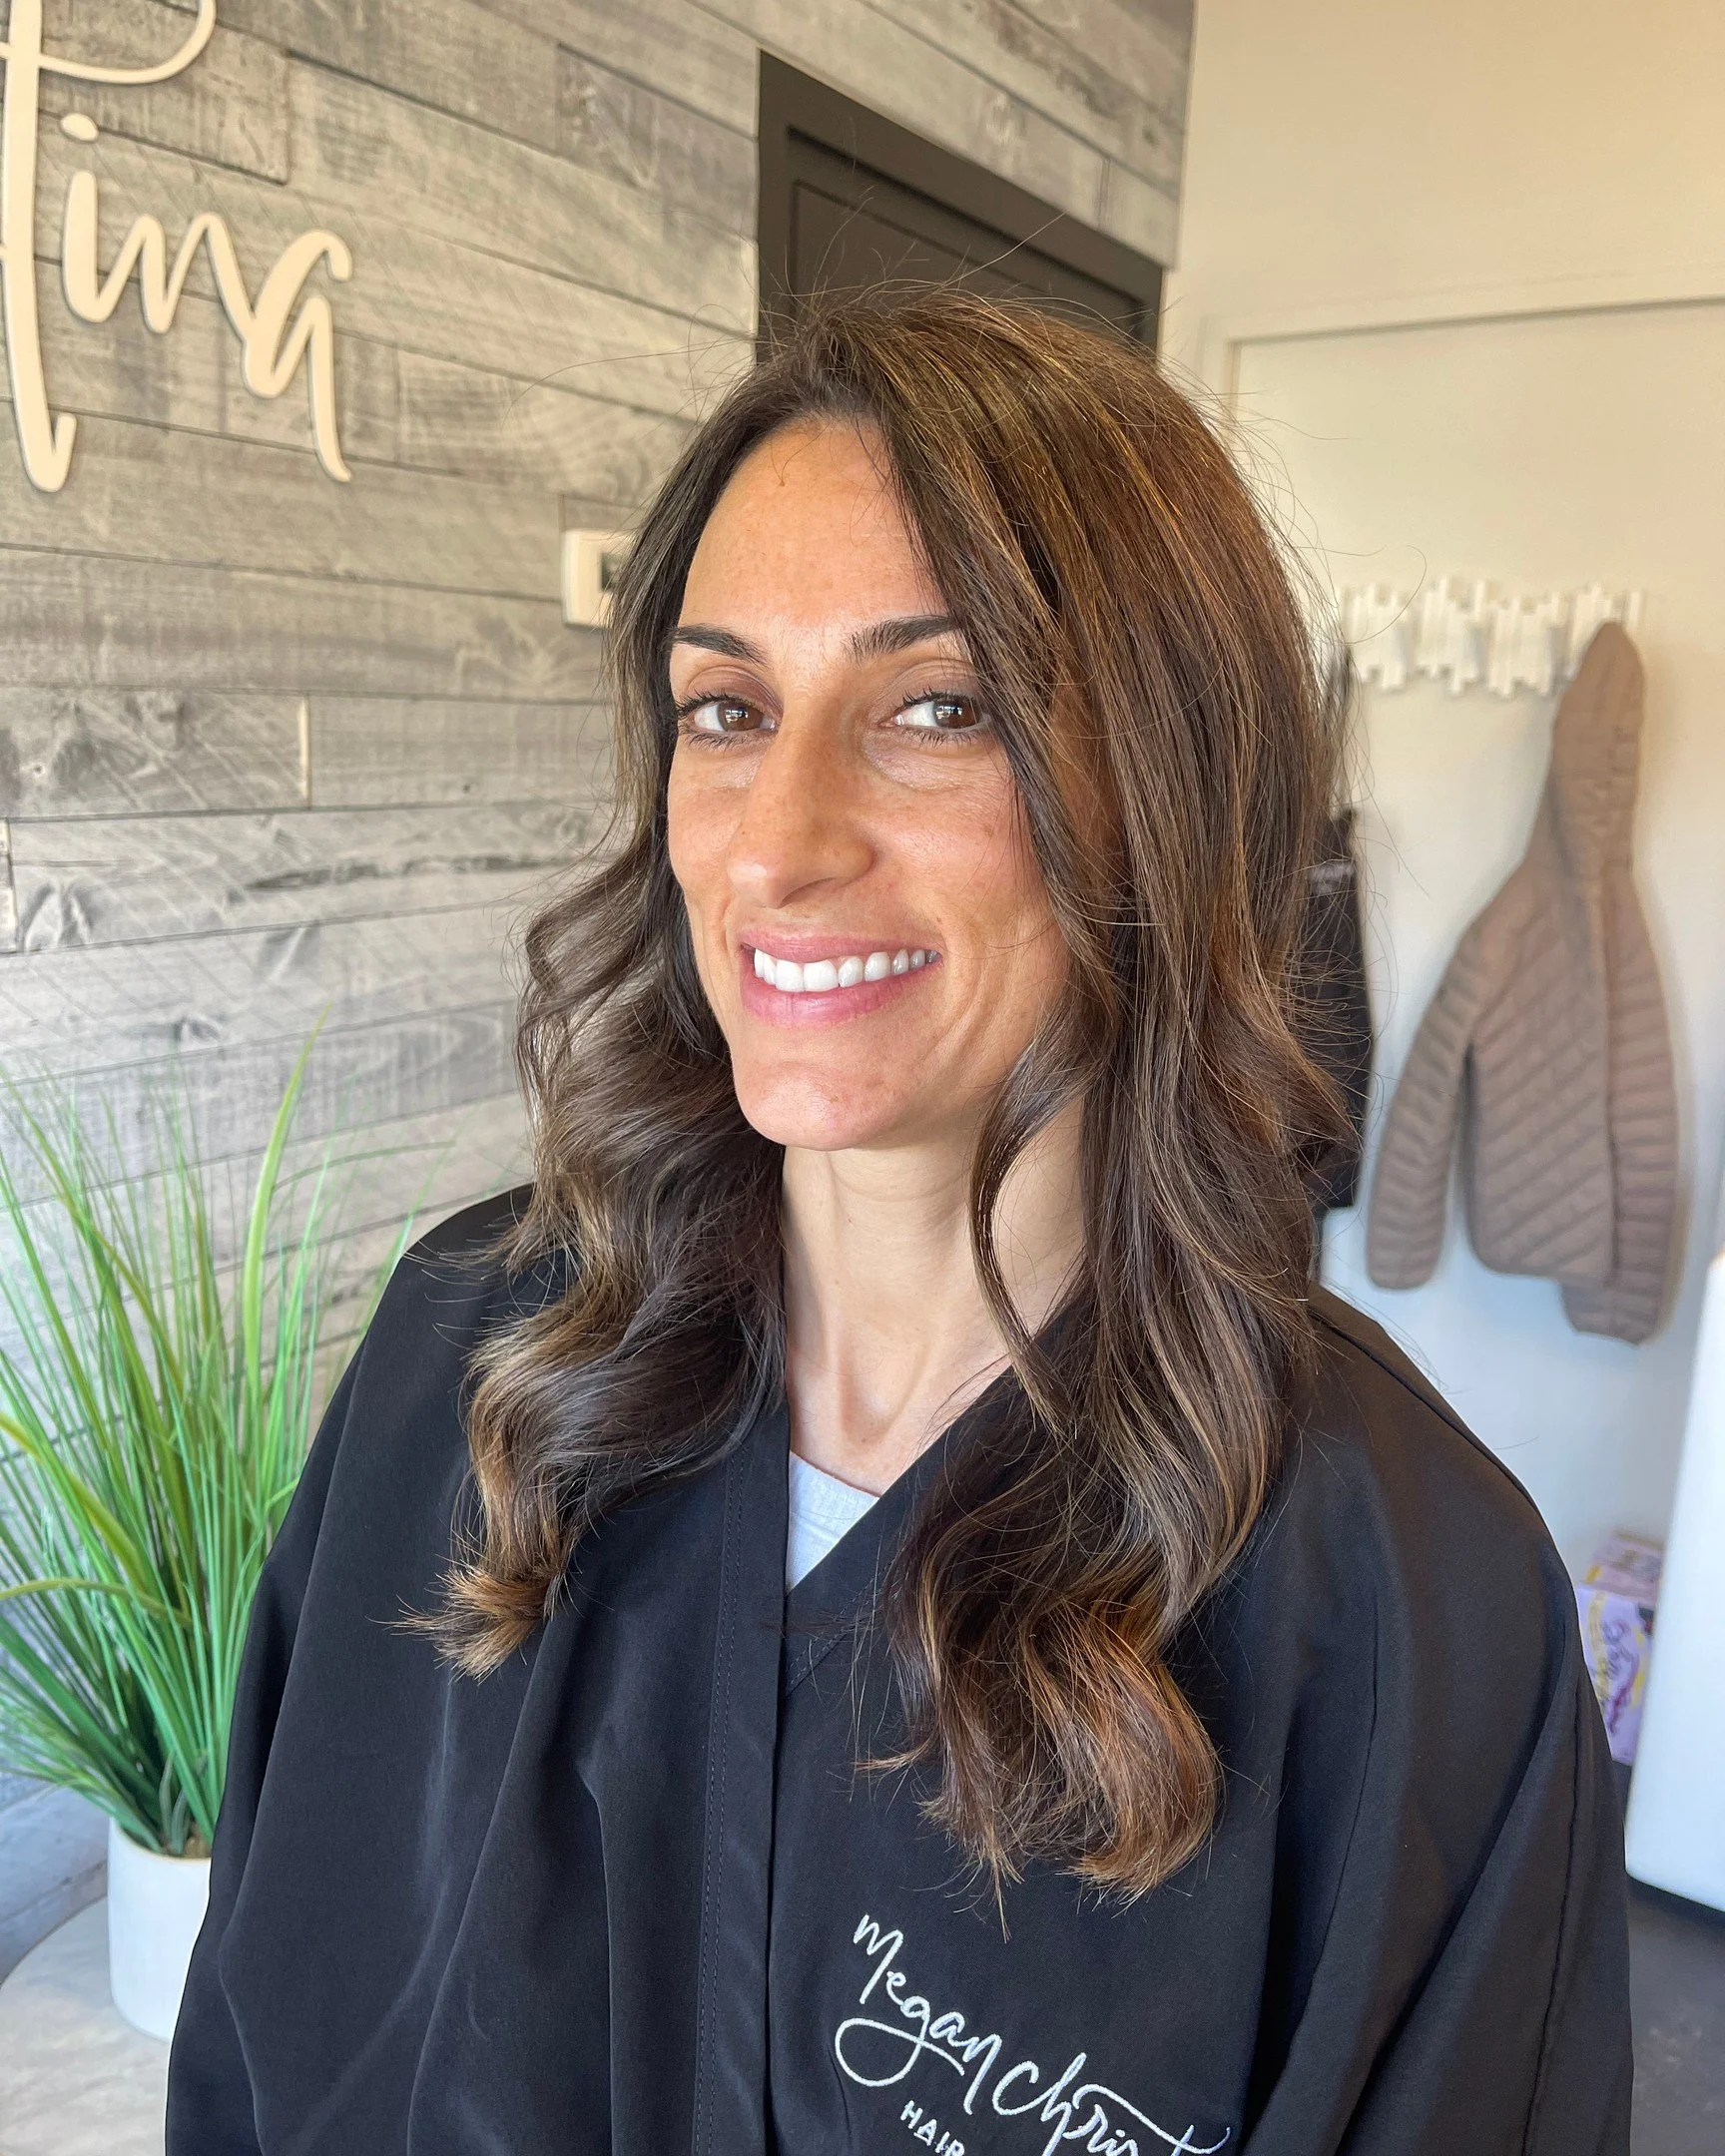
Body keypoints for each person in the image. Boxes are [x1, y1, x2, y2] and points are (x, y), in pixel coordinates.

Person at [168, 288, 1631, 2155]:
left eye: (935, 708)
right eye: (728, 709)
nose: (778, 841)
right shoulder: (470, 1363)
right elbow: (256, 2038)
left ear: (1167, 790)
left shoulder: (1412, 1612)